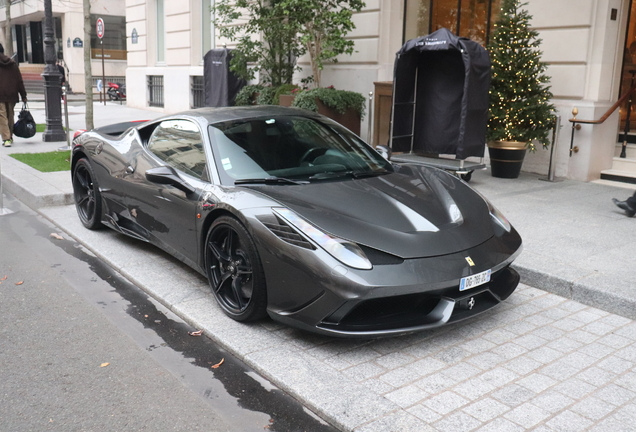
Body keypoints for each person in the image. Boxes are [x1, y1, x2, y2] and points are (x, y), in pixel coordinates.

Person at [0, 43, 27, 147]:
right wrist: (23, 95)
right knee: (10, 115)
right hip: (12, 94)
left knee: (2, 116)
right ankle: (9, 136)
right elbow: (19, 81)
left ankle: (6, 138)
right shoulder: (12, 64)